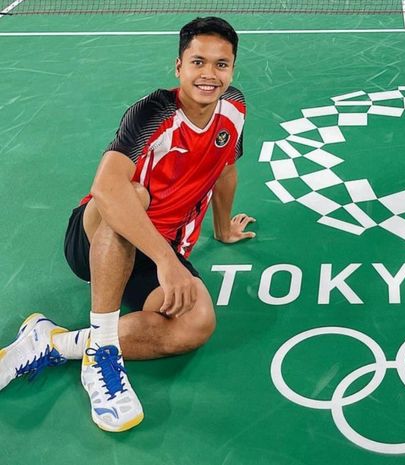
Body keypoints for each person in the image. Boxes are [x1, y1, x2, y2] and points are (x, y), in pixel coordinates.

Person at [0, 16, 254, 432]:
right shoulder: (153, 112)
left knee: (196, 323)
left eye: (221, 64)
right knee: (129, 194)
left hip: (156, 249)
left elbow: (225, 168)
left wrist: (222, 229)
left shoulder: (235, 109)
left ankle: (54, 342)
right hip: (95, 236)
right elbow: (106, 188)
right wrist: (165, 261)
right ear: (179, 67)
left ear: (232, 69)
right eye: (198, 62)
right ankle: (102, 355)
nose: (209, 75)